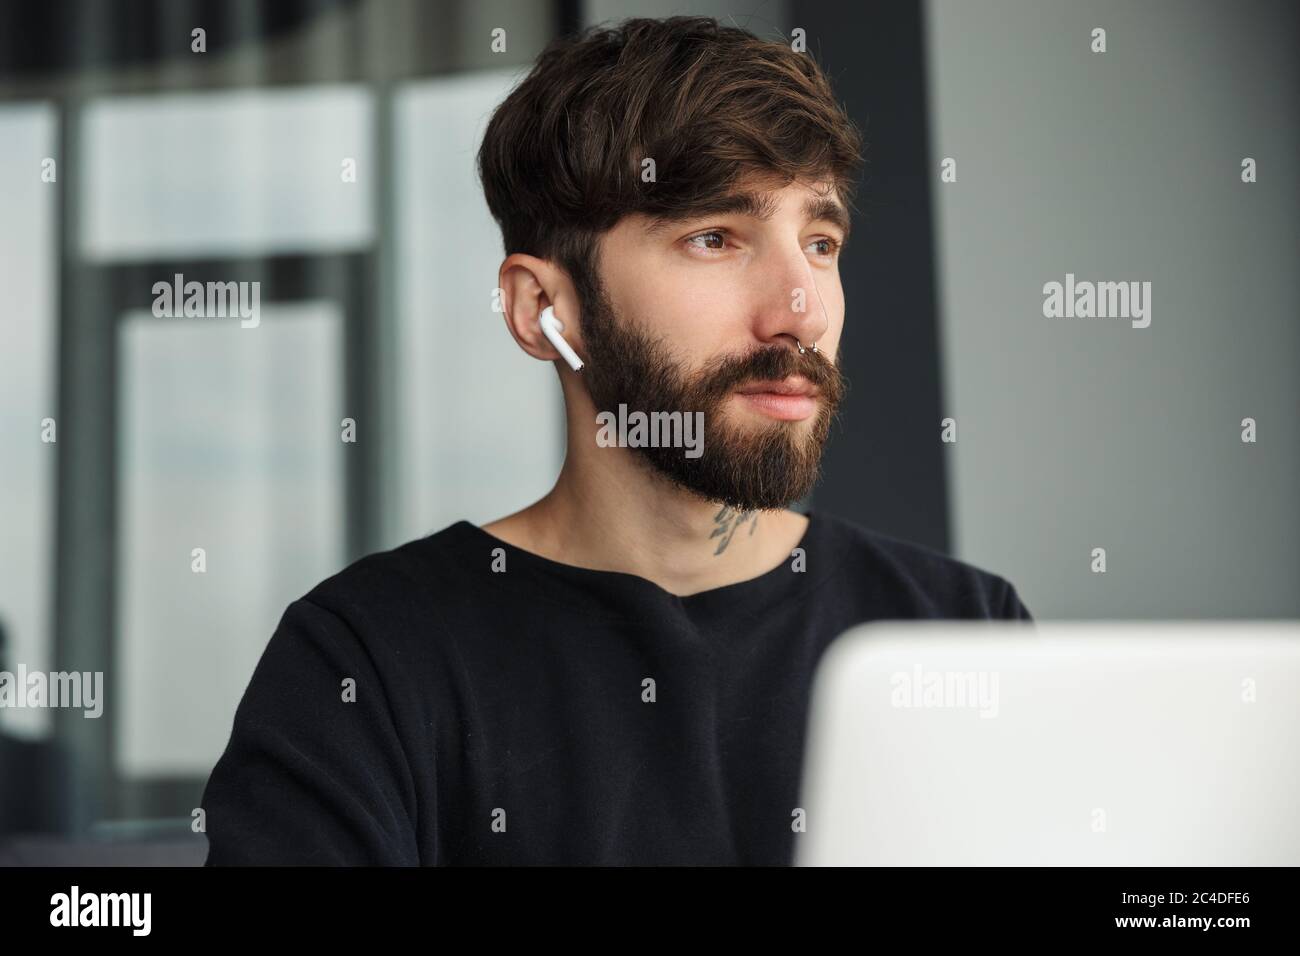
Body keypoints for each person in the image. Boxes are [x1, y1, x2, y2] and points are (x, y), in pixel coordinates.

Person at [202, 15, 1032, 866]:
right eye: (715, 238)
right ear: (542, 311)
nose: (803, 311)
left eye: (820, 244)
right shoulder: (363, 665)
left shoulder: (960, 630)